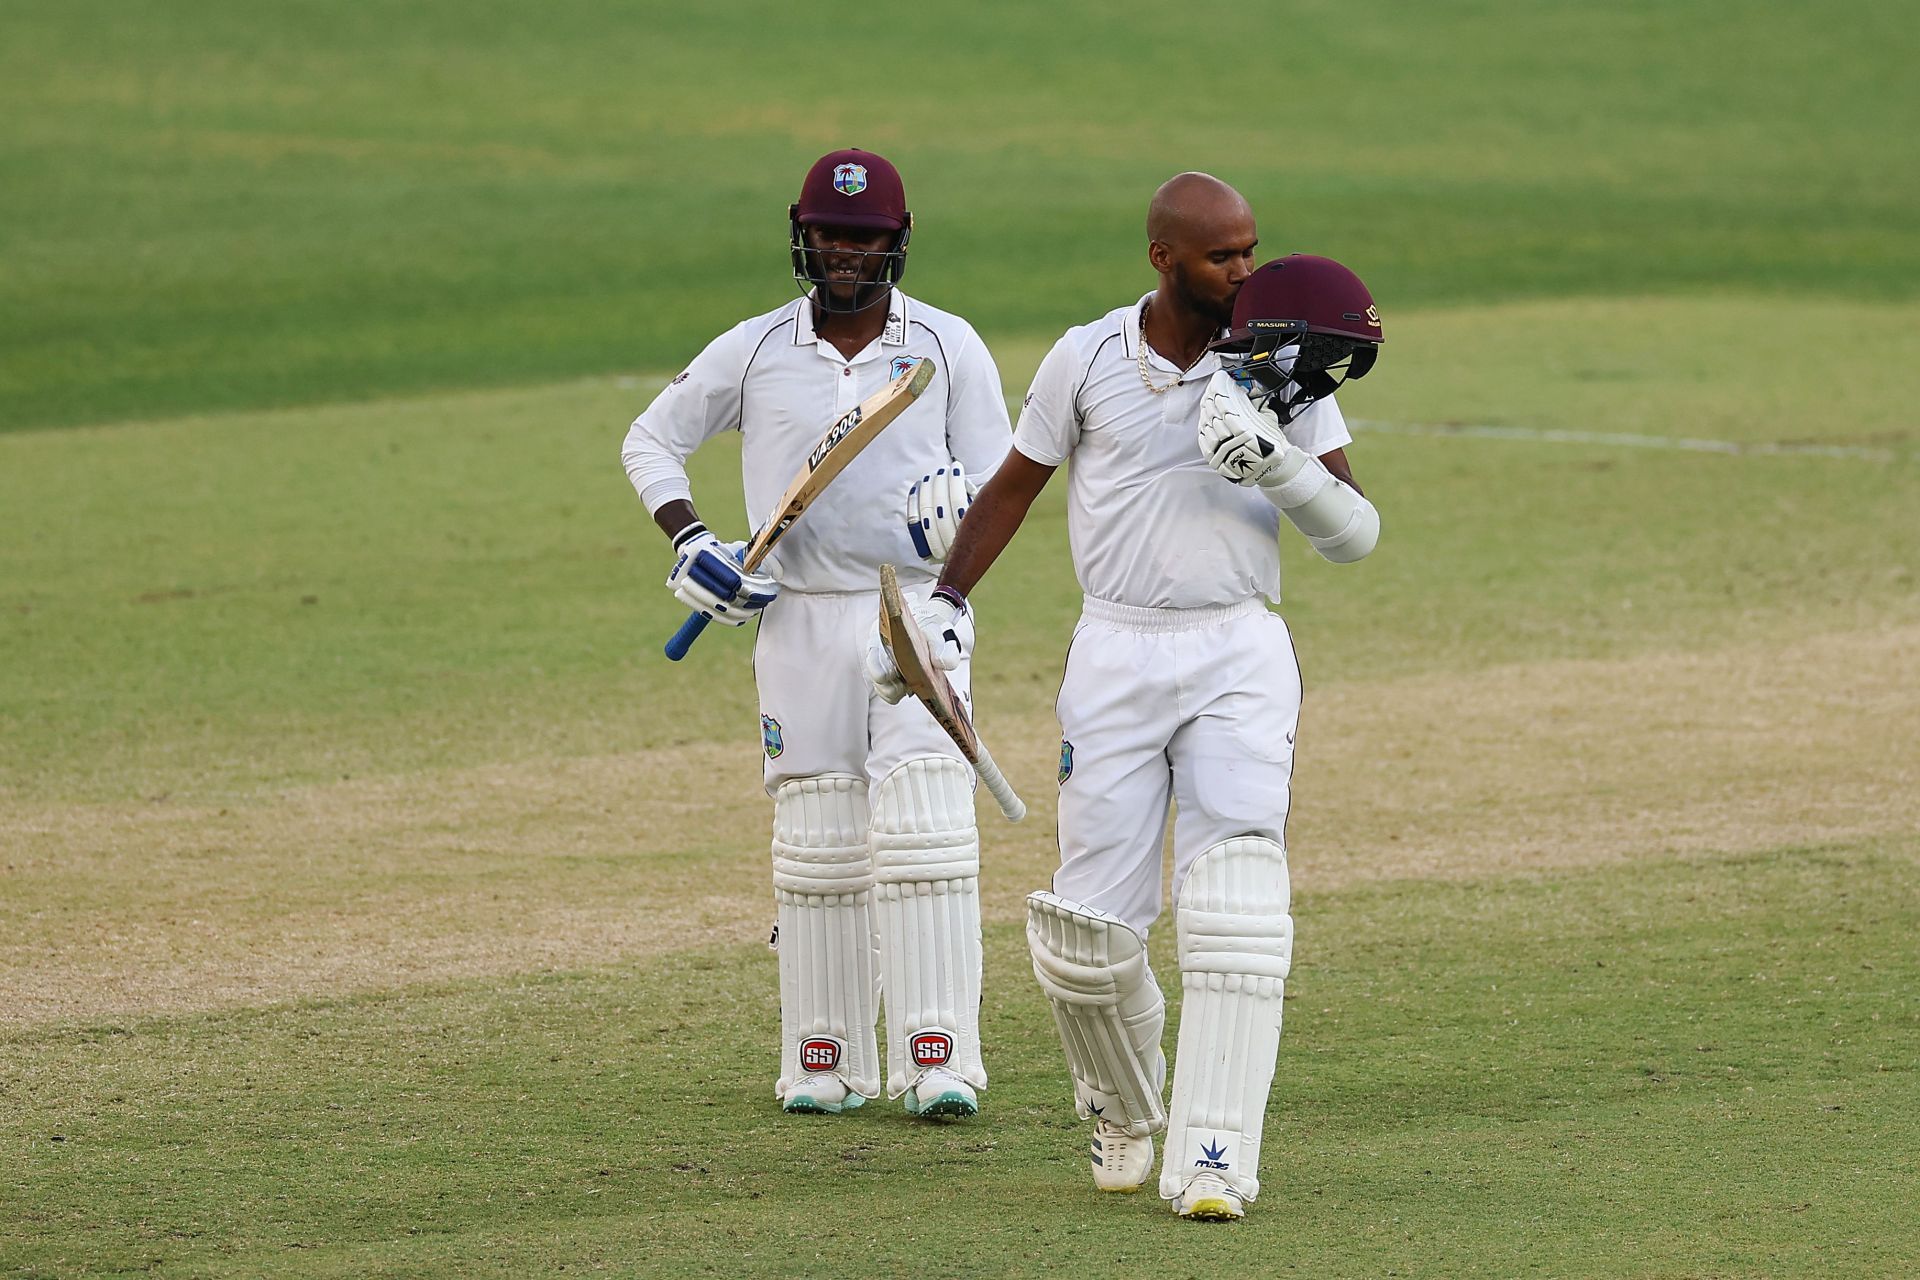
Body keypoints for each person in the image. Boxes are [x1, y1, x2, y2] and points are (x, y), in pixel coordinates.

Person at [865, 171, 1384, 1217]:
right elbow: (1013, 485)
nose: (1246, 271)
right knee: (1086, 933)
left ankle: (1215, 1158)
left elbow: (1355, 535)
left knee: (1236, 903)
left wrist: (1279, 464)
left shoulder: (1282, 363)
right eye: (1222, 256)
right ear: (1163, 258)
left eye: (1249, 249)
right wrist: (949, 600)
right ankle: (1125, 1102)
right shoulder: (1089, 355)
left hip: (1238, 651)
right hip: (1114, 651)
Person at [621, 148, 1012, 1120]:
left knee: (926, 829)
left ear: (898, 244)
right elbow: (649, 439)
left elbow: (1007, 484)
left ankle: (941, 1053)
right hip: (796, 619)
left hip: (915, 609)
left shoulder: (948, 346)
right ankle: (823, 1055)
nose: (847, 254)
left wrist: (952, 540)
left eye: (866, 238)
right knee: (818, 842)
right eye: (833, 235)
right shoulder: (754, 349)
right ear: (803, 236)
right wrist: (692, 540)